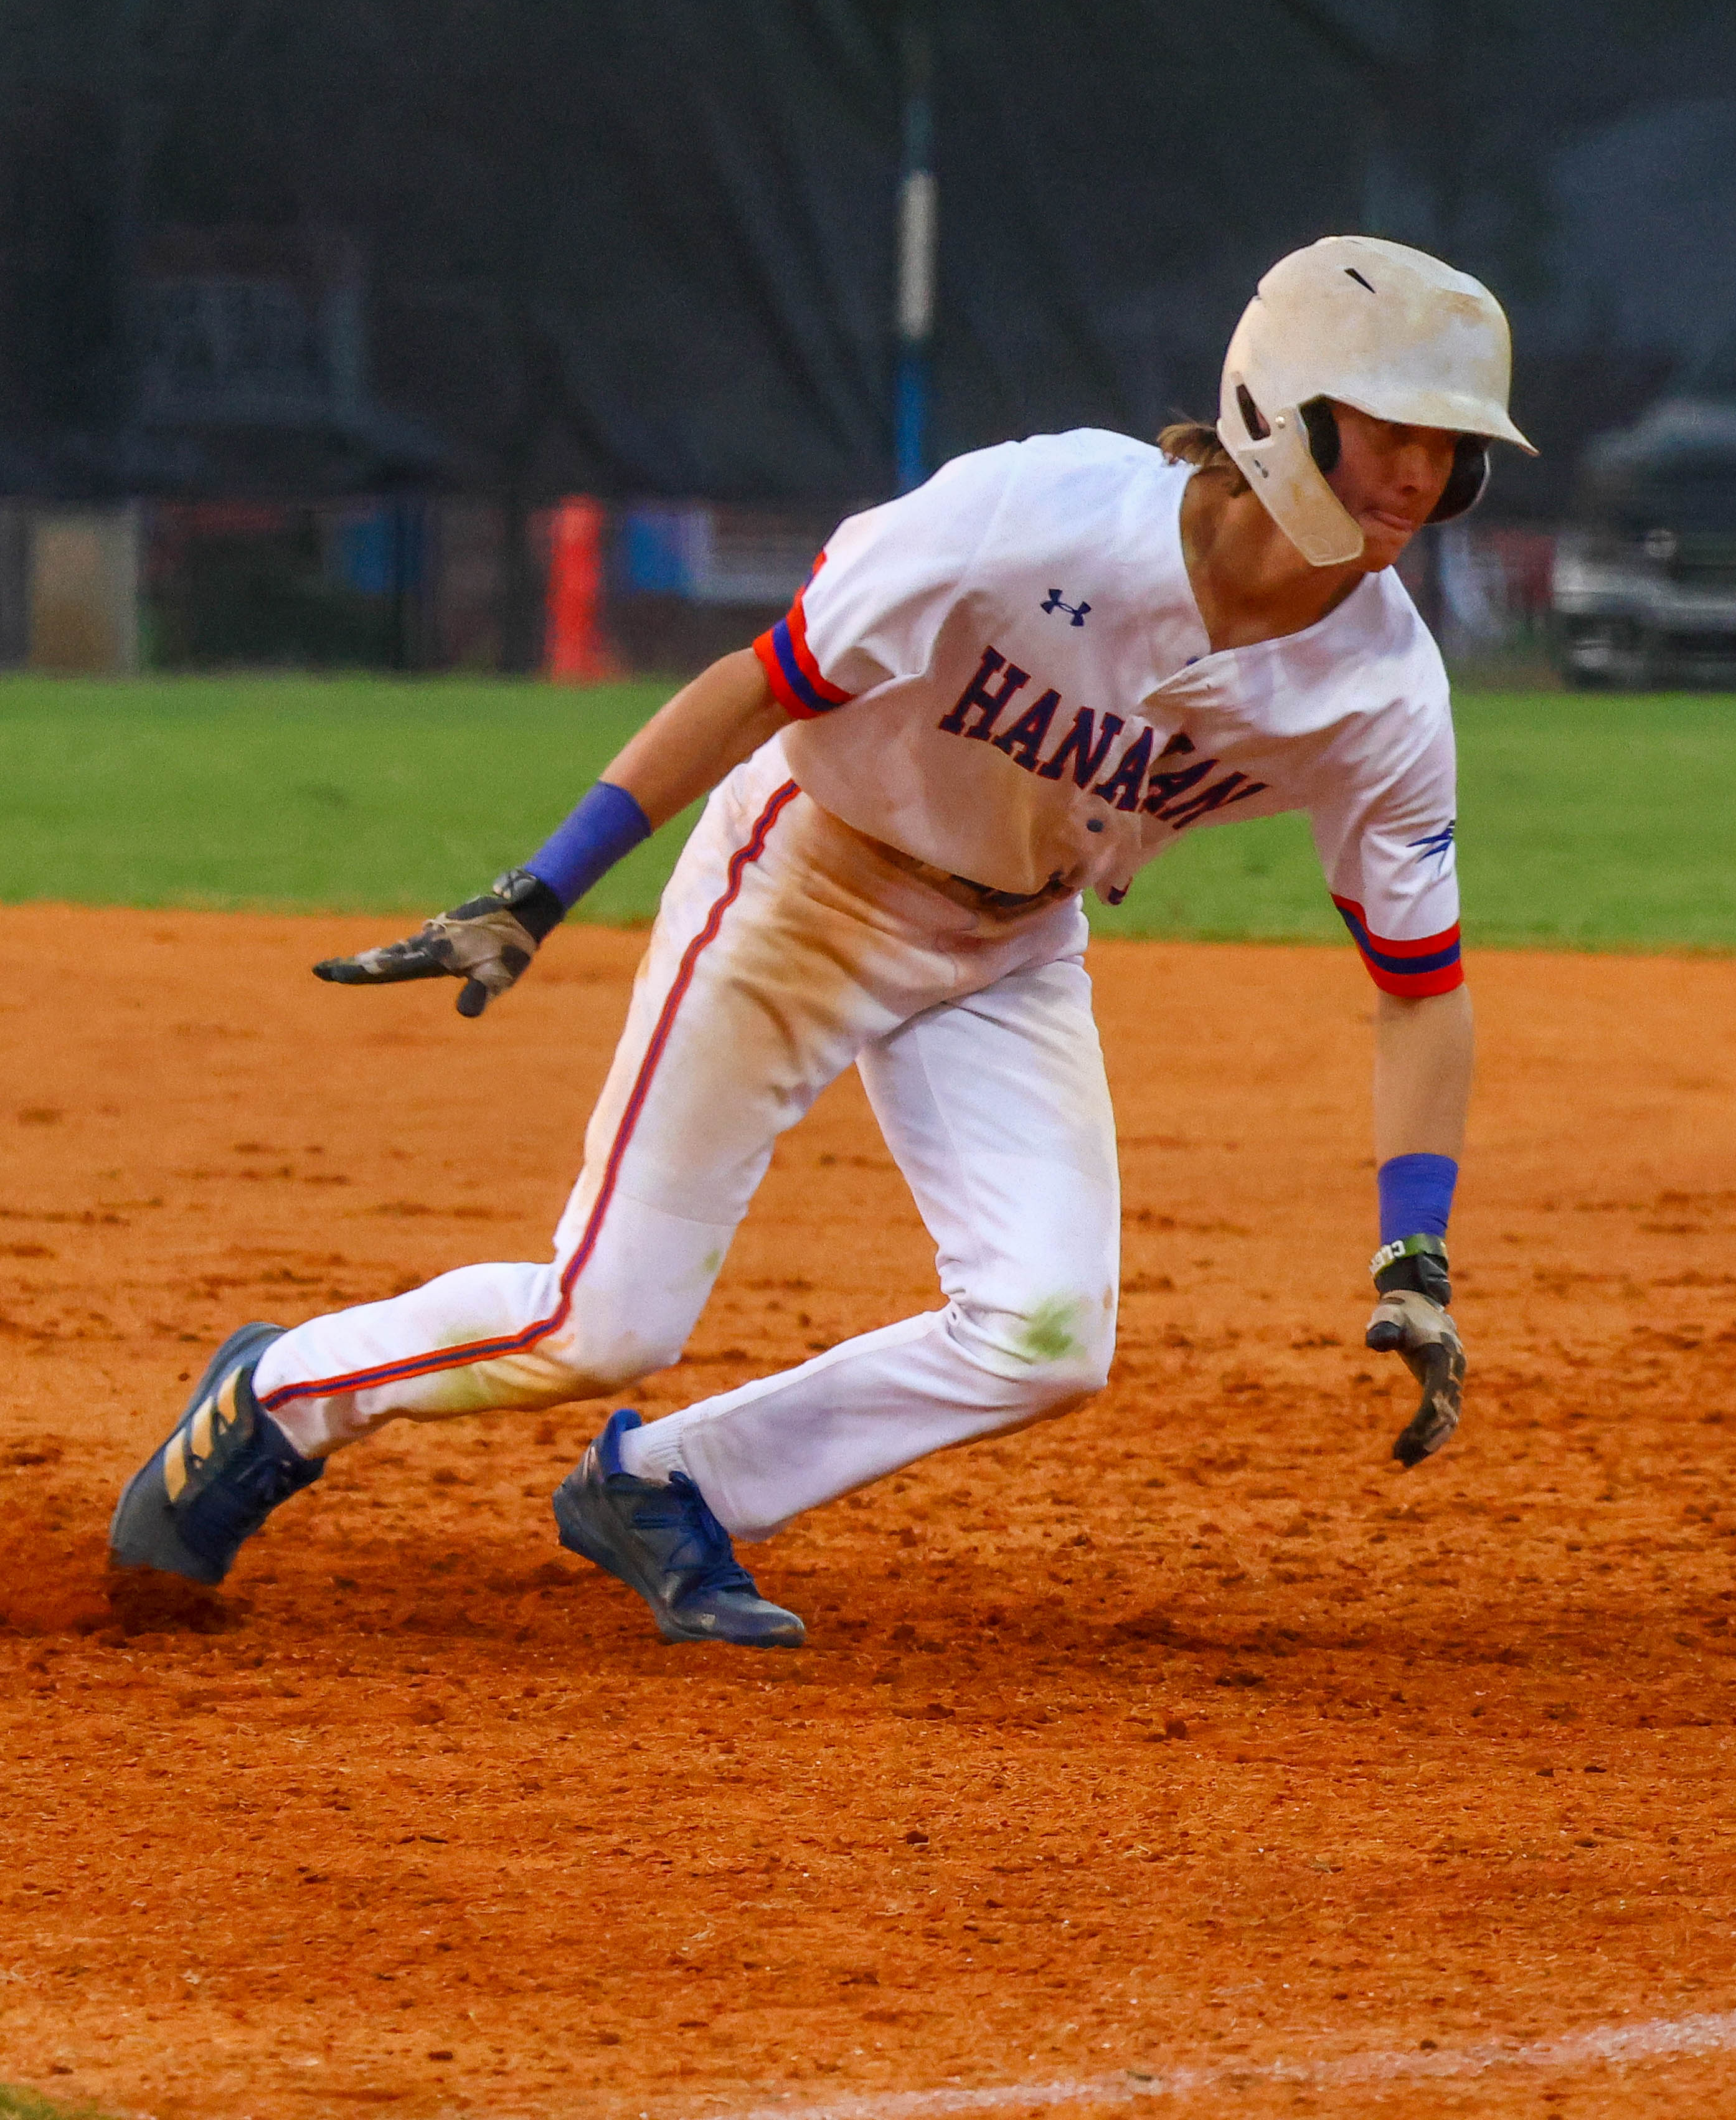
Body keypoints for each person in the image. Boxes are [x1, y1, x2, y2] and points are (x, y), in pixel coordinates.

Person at [108, 236, 1526, 1647]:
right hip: (804, 885)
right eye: (1391, 429)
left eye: (1449, 448)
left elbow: (1418, 993)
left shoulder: (1379, 696)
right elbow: (760, 682)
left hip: (1012, 948)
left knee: (1044, 1334)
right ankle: (286, 1393)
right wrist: (537, 891)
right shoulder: (1033, 515)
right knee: (602, 1322)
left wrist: (1416, 1257)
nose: (1416, 475)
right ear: (1284, 410)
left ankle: (663, 1486)